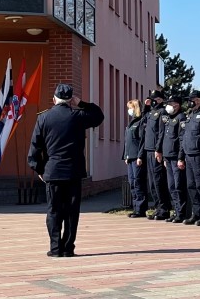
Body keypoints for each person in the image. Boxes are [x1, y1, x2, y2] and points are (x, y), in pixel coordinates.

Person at [27, 83, 104, 257]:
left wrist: (39, 169)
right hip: (73, 172)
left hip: (52, 171)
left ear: (54, 99)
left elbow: (35, 147)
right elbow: (98, 116)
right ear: (70, 100)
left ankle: (55, 248)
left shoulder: (44, 118)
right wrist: (81, 103)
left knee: (54, 211)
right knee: (71, 211)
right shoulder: (78, 116)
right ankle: (68, 248)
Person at [180, 89, 200, 225]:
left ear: (198, 100)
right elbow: (184, 137)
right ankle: (196, 213)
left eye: (191, 100)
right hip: (188, 155)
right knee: (191, 185)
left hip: (199, 155)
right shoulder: (190, 115)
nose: (189, 102)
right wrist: (181, 156)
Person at [158, 95, 191, 223]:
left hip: (176, 157)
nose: (168, 106)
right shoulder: (170, 118)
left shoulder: (181, 118)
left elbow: (181, 140)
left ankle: (181, 213)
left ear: (177, 105)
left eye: (171, 104)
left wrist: (180, 158)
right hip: (168, 157)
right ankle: (176, 211)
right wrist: (164, 157)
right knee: (171, 186)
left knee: (178, 186)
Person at [142, 89, 171, 220]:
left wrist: (158, 149)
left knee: (159, 181)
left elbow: (161, 132)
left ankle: (164, 209)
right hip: (148, 150)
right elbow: (143, 122)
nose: (153, 101)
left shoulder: (162, 112)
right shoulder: (150, 113)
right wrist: (146, 107)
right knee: (152, 182)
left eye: (155, 99)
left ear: (160, 100)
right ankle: (158, 207)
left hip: (155, 151)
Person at [123, 99, 148, 218]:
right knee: (132, 182)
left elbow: (142, 140)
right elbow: (127, 141)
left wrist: (140, 156)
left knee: (138, 182)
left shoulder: (141, 121)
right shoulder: (131, 123)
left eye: (131, 108)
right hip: (130, 157)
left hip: (137, 157)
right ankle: (135, 207)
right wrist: (126, 155)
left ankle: (141, 209)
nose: (129, 110)